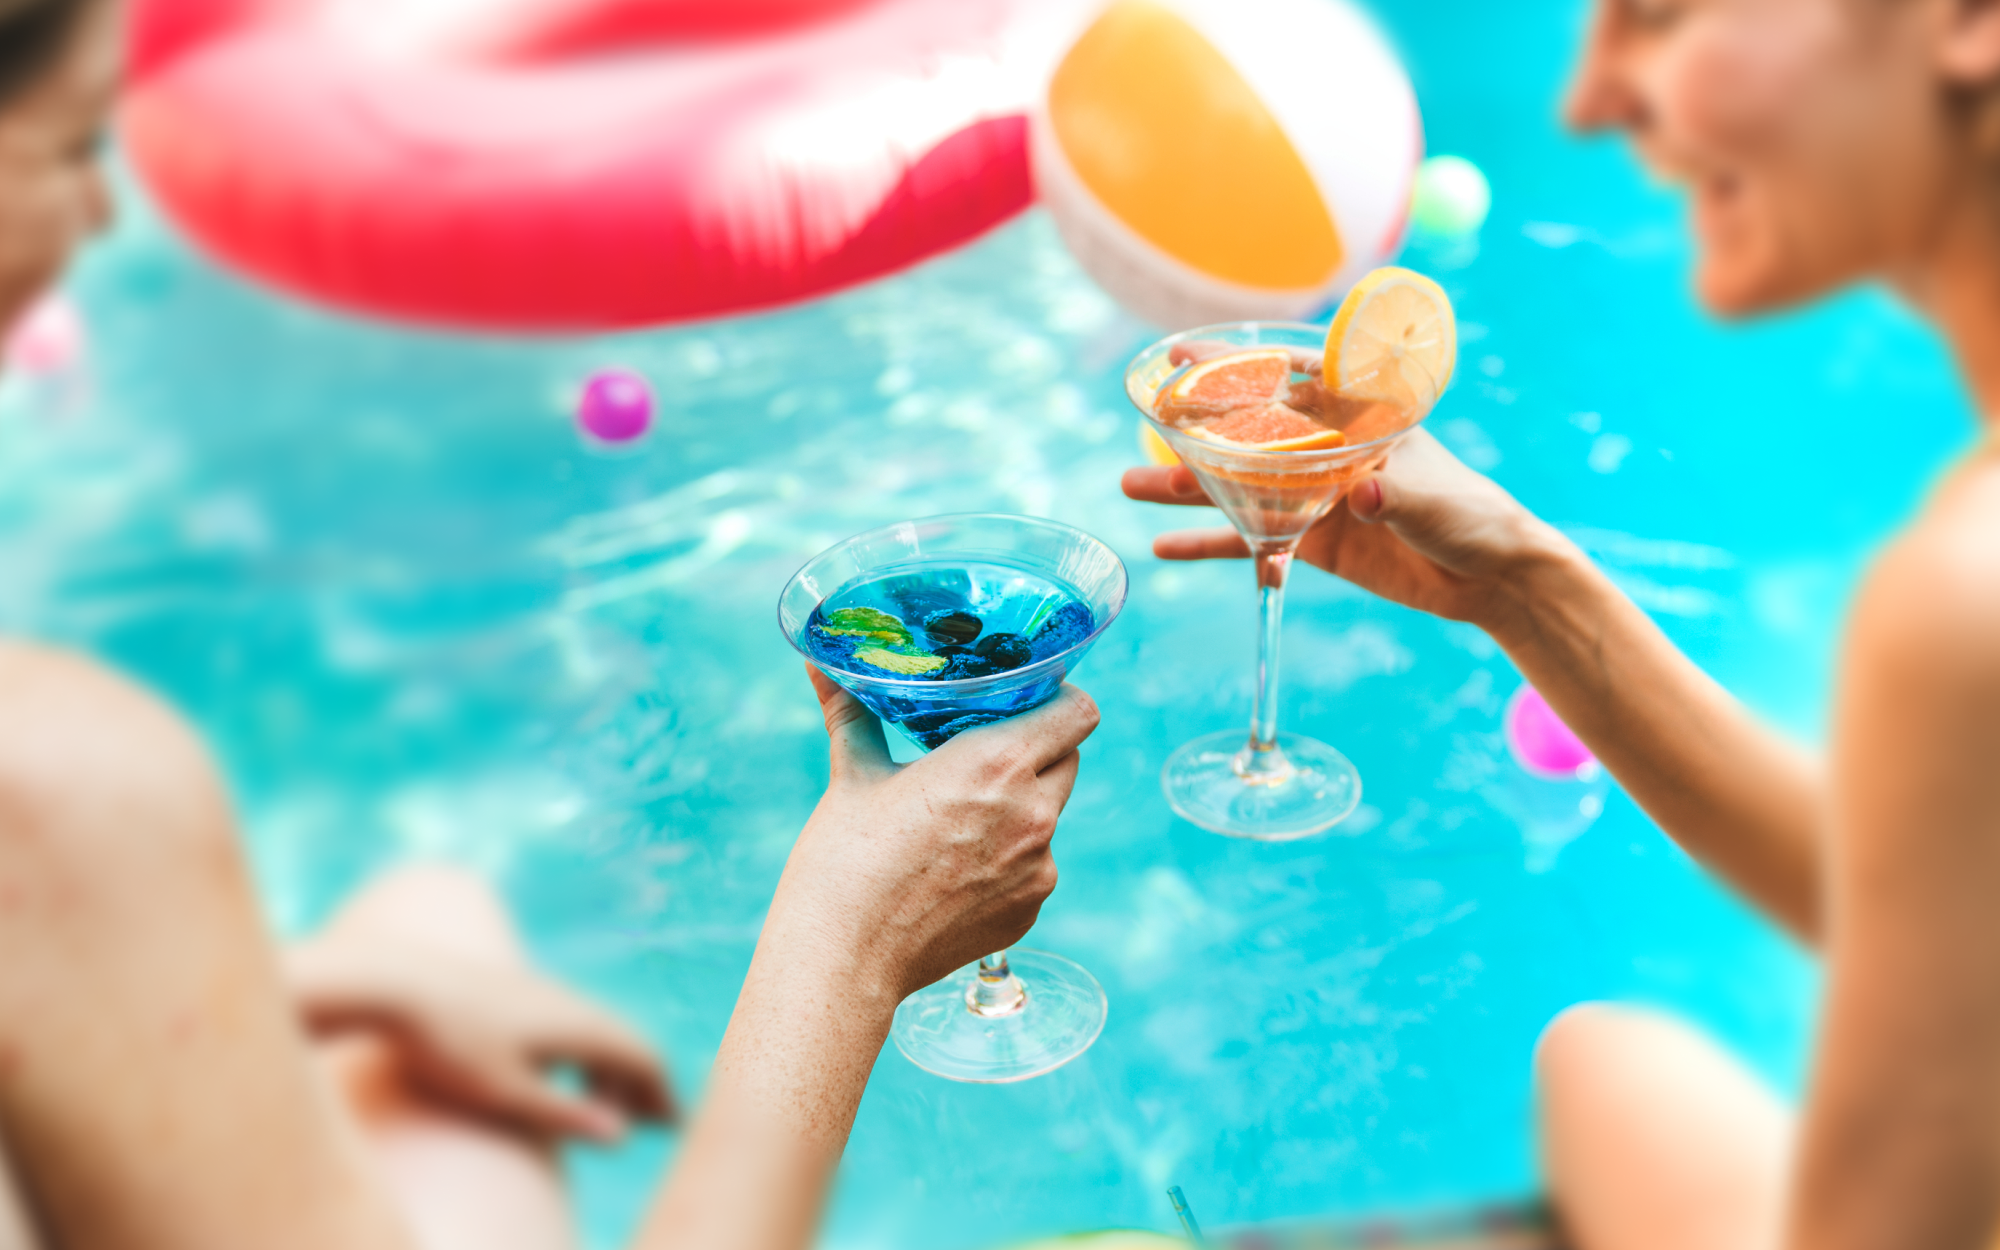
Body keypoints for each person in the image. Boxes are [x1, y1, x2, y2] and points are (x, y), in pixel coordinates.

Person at [0, 1, 1104, 1248]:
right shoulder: (59, 779)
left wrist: (339, 988)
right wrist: (850, 938)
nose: (99, 216)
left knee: (431, 915)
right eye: (70, 151)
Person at [1126, 0, 2000, 1246]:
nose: (1591, 100)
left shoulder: (1961, 598)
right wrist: (1519, 585)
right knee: (1608, 1057)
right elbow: (1926, 917)